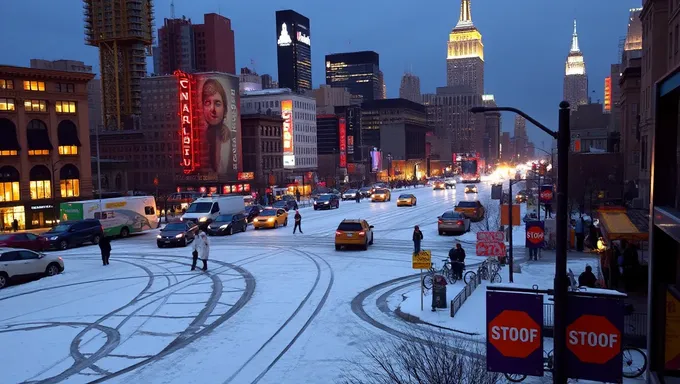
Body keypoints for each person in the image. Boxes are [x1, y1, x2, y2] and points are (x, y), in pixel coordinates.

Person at [202, 78, 237, 175]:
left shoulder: (229, 137)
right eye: (207, 103)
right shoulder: (199, 137)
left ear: (225, 109)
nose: (212, 109)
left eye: (217, 103)